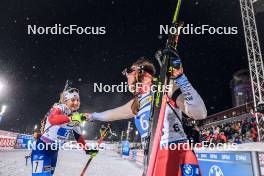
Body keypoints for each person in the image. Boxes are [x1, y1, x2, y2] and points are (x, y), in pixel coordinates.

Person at [88, 50, 207, 176]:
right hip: (152, 159)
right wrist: (93, 116)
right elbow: (110, 114)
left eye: (129, 72)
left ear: (141, 73)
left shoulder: (165, 88)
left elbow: (200, 113)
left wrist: (180, 78)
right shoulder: (137, 103)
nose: (126, 77)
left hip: (176, 156)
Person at [31, 87, 95, 176]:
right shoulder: (59, 107)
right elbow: (52, 119)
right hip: (42, 149)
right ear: (65, 101)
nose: (76, 102)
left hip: (54, 151)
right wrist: (71, 118)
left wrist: (87, 149)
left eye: (77, 100)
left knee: (49, 174)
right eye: (72, 100)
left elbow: (78, 136)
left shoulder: (76, 115)